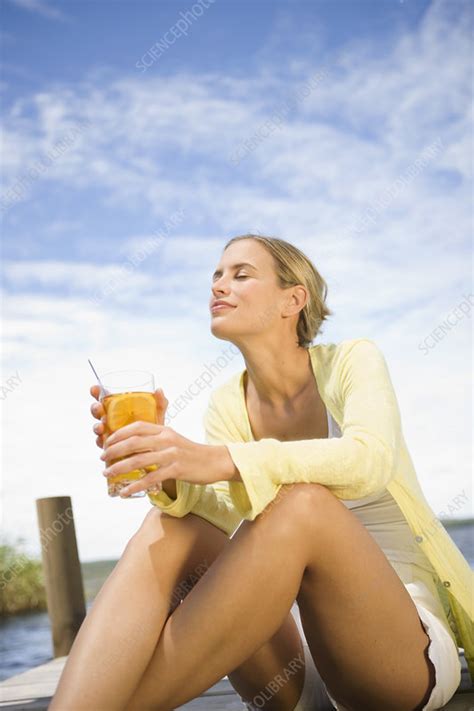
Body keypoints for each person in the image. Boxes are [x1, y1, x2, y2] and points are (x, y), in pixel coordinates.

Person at [49, 234, 472, 711]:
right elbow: (224, 512)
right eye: (216, 275)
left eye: (241, 274)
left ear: (294, 299)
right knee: (173, 524)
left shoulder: (353, 361)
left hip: (396, 656)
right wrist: (167, 469)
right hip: (289, 668)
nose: (219, 285)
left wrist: (222, 460)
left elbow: (368, 461)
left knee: (303, 503)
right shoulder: (228, 402)